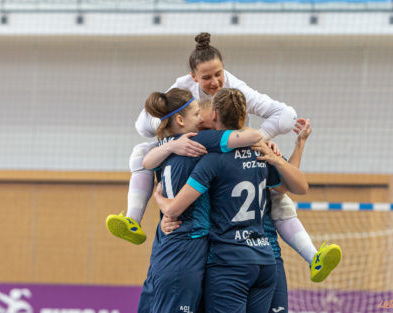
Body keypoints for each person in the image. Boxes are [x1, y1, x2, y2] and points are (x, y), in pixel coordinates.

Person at [106, 31, 338, 283]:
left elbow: (287, 117)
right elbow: (144, 129)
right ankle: (132, 220)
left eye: (219, 74)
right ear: (193, 77)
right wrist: (174, 142)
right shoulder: (181, 91)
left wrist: (262, 137)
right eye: (206, 77)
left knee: (278, 197)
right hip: (205, 149)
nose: (215, 81)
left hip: (228, 146)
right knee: (142, 152)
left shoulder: (236, 89)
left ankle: (313, 256)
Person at [154, 88, 309, 313]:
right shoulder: (261, 151)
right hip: (264, 261)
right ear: (245, 116)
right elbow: (298, 186)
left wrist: (159, 200)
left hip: (229, 261)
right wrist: (296, 147)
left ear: (214, 115)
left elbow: (176, 207)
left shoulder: (211, 158)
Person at [135, 88, 264, 313]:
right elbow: (253, 136)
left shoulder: (162, 147)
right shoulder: (199, 139)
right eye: (196, 114)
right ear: (180, 120)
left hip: (165, 243)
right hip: (186, 243)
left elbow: (145, 163)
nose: (201, 118)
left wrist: (170, 146)